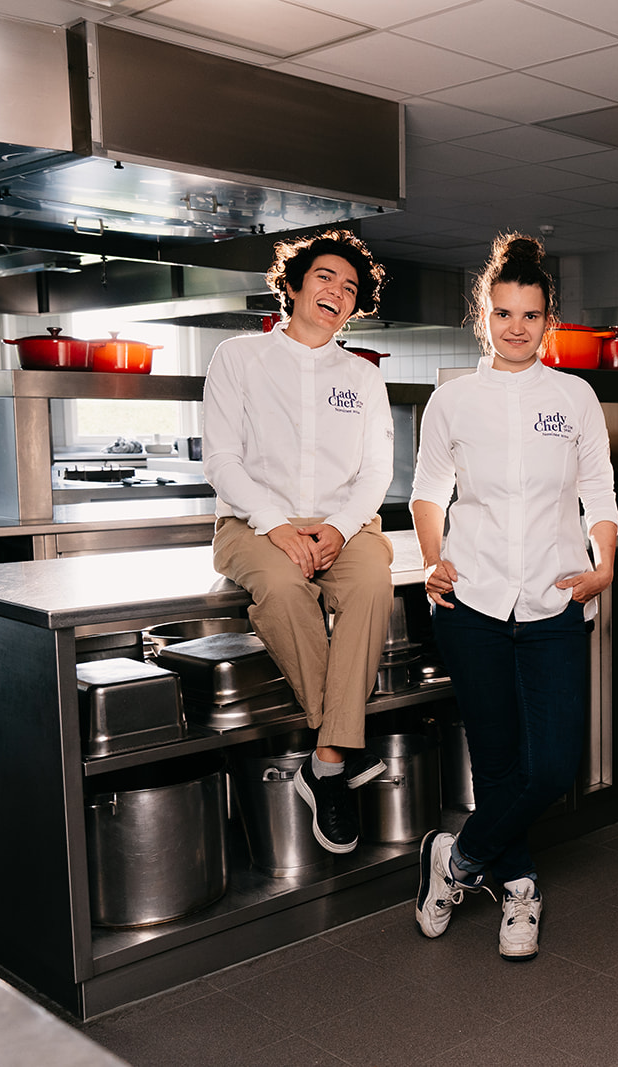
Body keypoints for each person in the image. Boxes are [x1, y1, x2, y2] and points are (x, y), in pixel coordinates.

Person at [410, 233, 618, 961]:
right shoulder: (452, 400)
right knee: (498, 762)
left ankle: (458, 859)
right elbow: (427, 493)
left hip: (557, 599)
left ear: (548, 319)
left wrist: (605, 563)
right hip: (471, 601)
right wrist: (433, 560)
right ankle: (519, 885)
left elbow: (599, 492)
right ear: (485, 316)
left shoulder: (575, 397)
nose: (518, 327)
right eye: (505, 313)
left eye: (531, 314)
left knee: (553, 766)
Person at [204, 229, 394, 855]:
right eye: (325, 278)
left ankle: (326, 759)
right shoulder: (238, 358)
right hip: (253, 523)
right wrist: (276, 525)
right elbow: (222, 459)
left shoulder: (363, 377)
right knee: (285, 588)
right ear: (291, 285)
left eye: (349, 286)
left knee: (371, 583)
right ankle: (337, 752)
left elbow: (376, 472)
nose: (337, 292)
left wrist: (337, 529)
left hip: (345, 523)